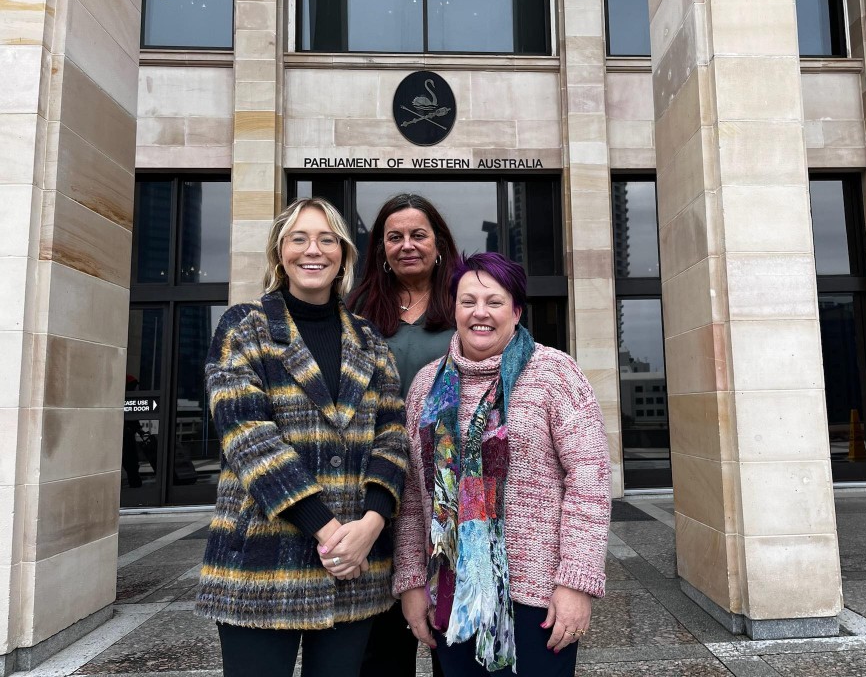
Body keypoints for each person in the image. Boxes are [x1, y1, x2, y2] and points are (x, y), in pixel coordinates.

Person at [195, 197, 409, 677]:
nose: (313, 250)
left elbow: (392, 437)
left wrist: (372, 524)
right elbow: (249, 438)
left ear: (343, 256)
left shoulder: (370, 340)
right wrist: (332, 535)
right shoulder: (243, 329)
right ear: (280, 253)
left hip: (354, 570)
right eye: (299, 238)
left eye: (327, 239)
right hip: (264, 563)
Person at [394, 252, 611, 677]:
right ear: (453, 309)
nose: (480, 313)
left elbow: (590, 483)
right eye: (467, 301)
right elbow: (414, 498)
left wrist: (576, 584)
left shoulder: (554, 373)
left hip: (539, 598)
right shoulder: (425, 385)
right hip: (452, 592)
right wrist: (411, 581)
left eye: (494, 301)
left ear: (515, 310)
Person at [349, 194, 457, 676]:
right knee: (379, 650)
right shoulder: (355, 309)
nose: (407, 245)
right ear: (380, 249)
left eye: (419, 235)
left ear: (439, 244)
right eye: (395, 237)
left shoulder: (466, 300)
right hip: (374, 493)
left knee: (451, 639)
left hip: (451, 496)